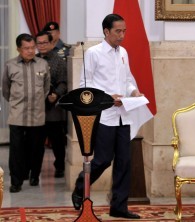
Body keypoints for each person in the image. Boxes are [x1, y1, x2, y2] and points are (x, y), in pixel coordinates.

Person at [71, 14, 143, 219]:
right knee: (102, 160)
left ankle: (119, 206)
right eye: (118, 31)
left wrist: (134, 92)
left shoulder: (124, 52)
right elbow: (85, 85)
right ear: (106, 31)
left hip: (123, 114)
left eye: (124, 31)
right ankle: (79, 187)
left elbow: (127, 79)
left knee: (124, 161)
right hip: (104, 115)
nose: (122, 35)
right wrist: (107, 97)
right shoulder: (93, 53)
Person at [2, 33, 50, 192]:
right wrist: (17, 103)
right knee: (16, 150)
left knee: (36, 148)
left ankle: (34, 175)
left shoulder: (43, 64)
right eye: (26, 48)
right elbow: (6, 90)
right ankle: (16, 182)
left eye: (32, 47)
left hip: (37, 116)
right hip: (17, 116)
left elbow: (46, 88)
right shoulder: (10, 65)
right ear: (18, 49)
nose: (30, 51)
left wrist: (37, 101)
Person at [35, 31, 68, 178]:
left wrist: (56, 95)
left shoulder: (59, 61)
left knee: (57, 142)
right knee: (35, 142)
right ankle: (34, 171)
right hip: (37, 109)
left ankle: (60, 167)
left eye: (44, 42)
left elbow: (64, 82)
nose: (42, 46)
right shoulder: (33, 60)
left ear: (51, 43)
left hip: (54, 108)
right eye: (39, 43)